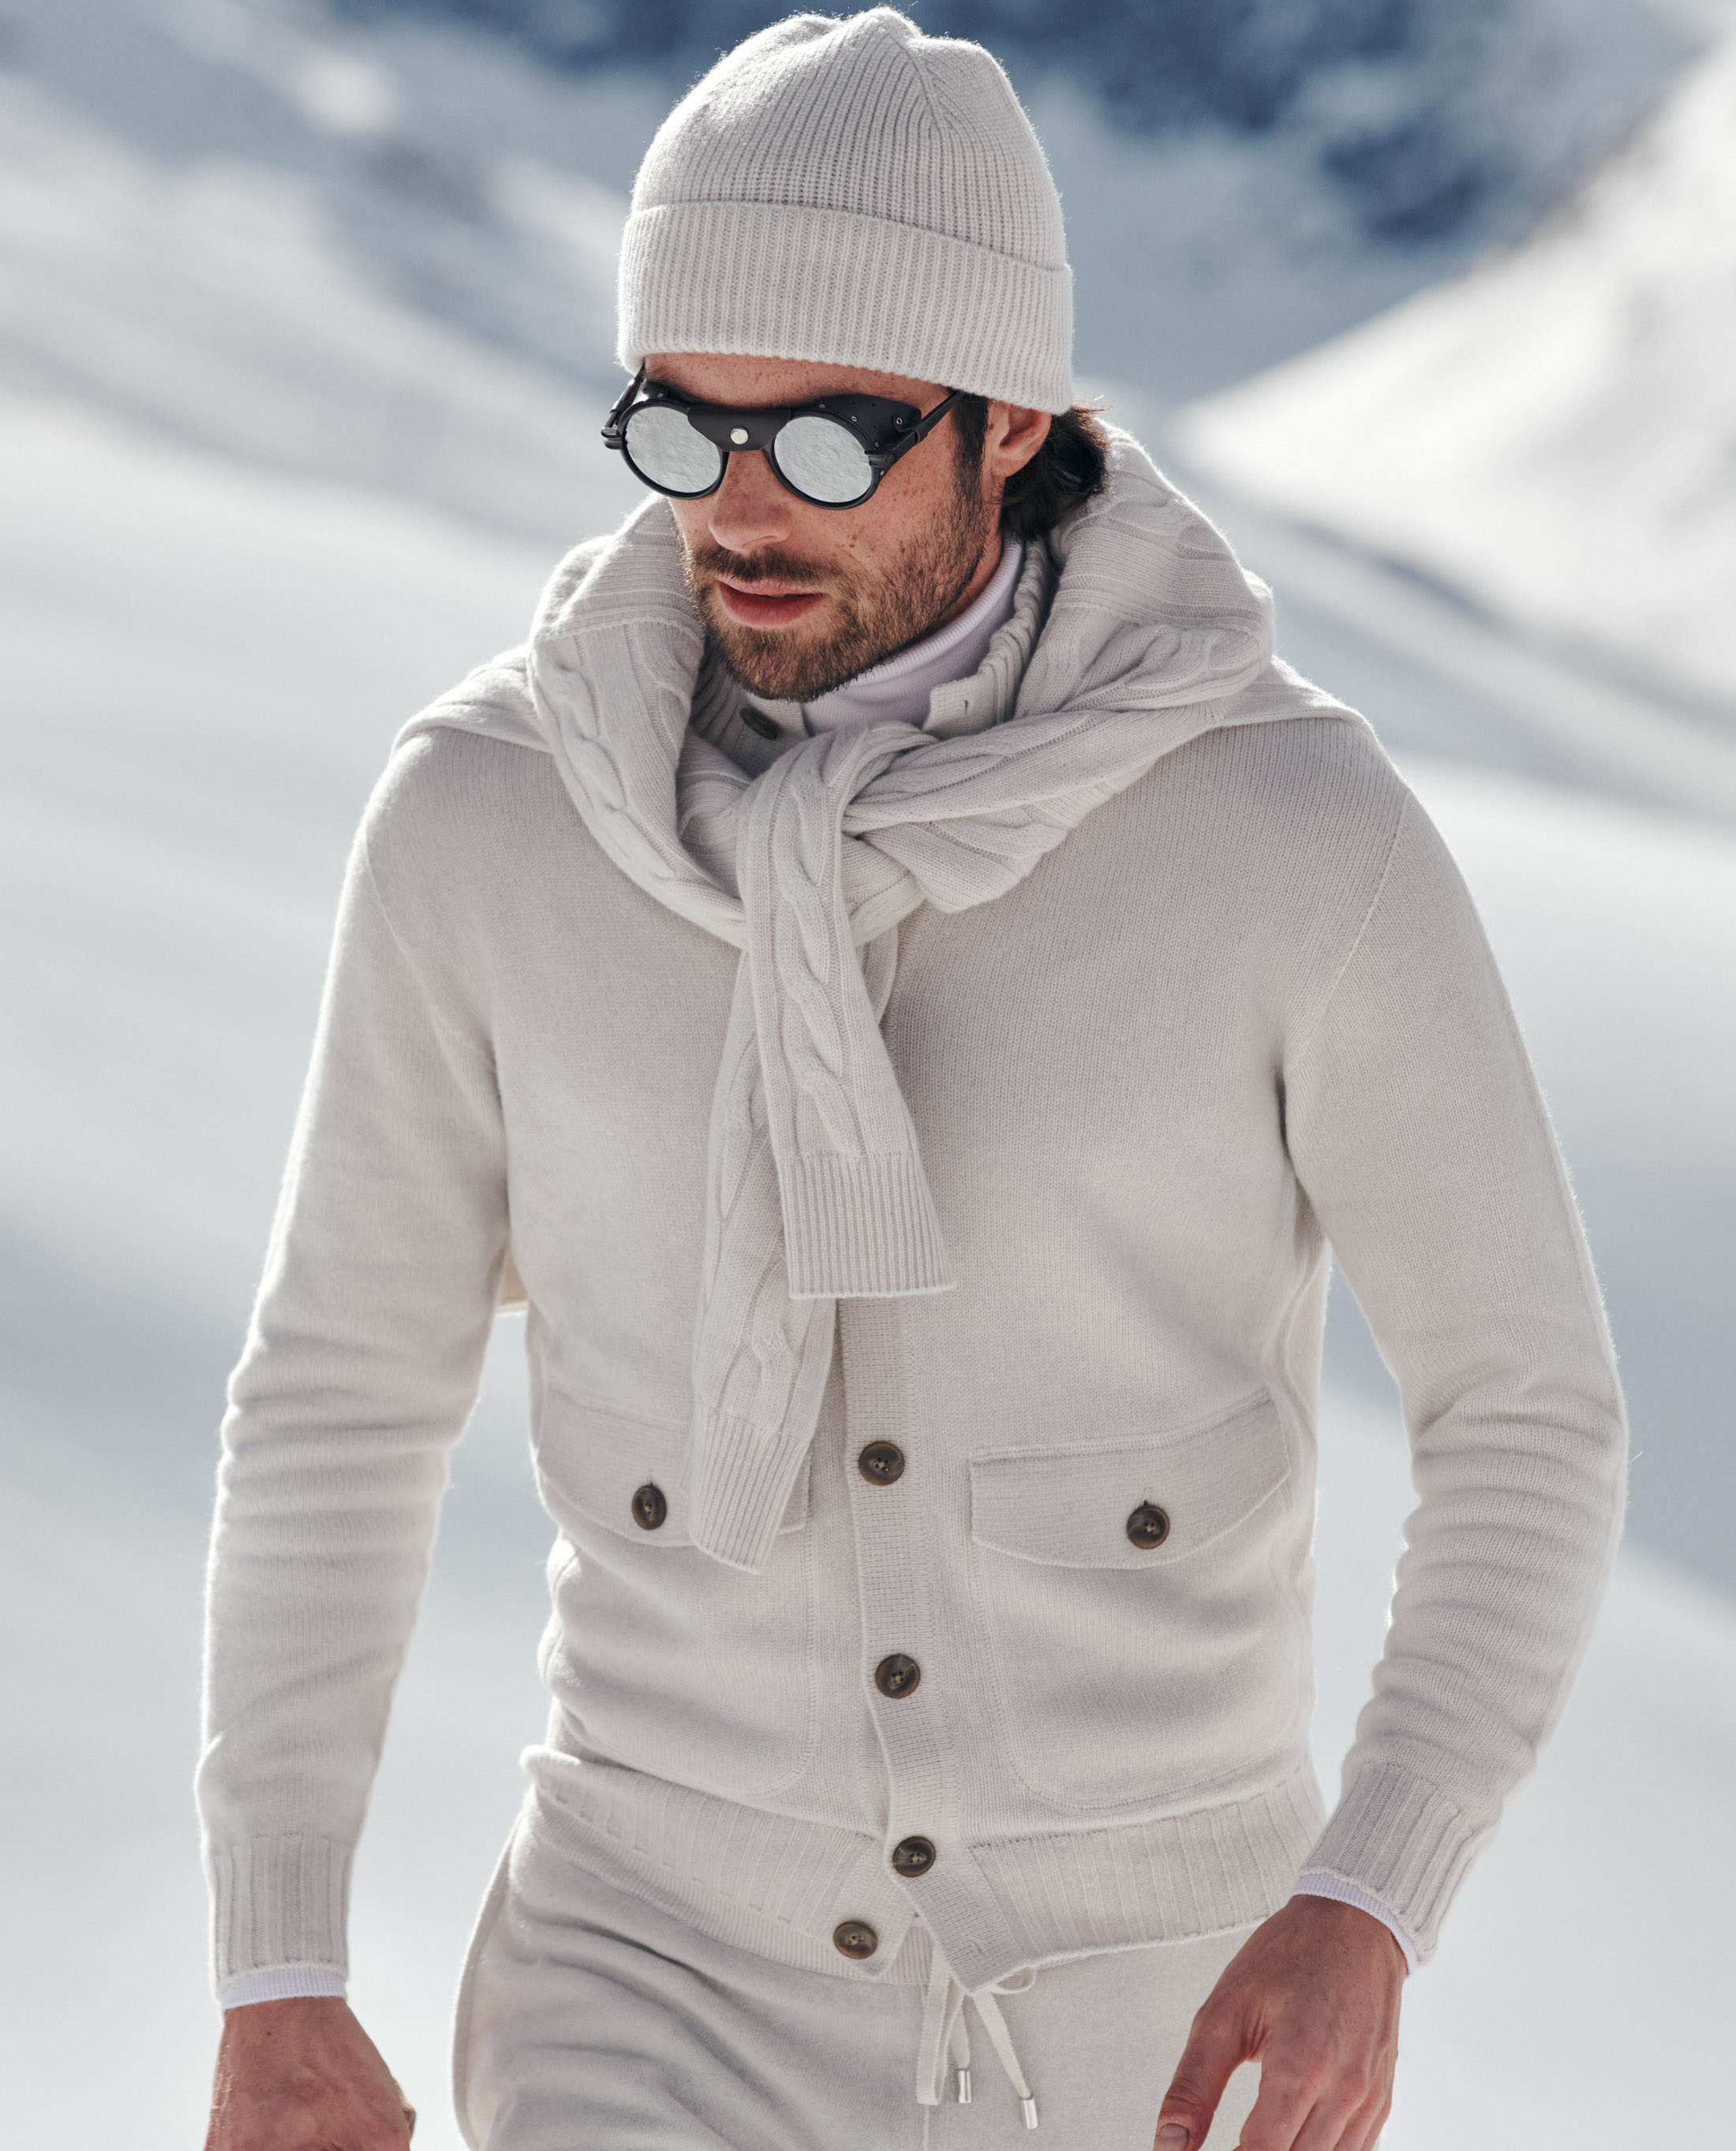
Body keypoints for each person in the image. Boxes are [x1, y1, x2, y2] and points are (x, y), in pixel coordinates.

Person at [197, 12, 1626, 2150]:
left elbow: (1526, 1408)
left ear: (1010, 420)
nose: (743, 510)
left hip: (1165, 2013)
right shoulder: (489, 822)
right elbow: (339, 1392)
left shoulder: (1291, 835)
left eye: (829, 439)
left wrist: (1371, 1899)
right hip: (642, 1971)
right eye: (685, 429)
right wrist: (278, 1968)